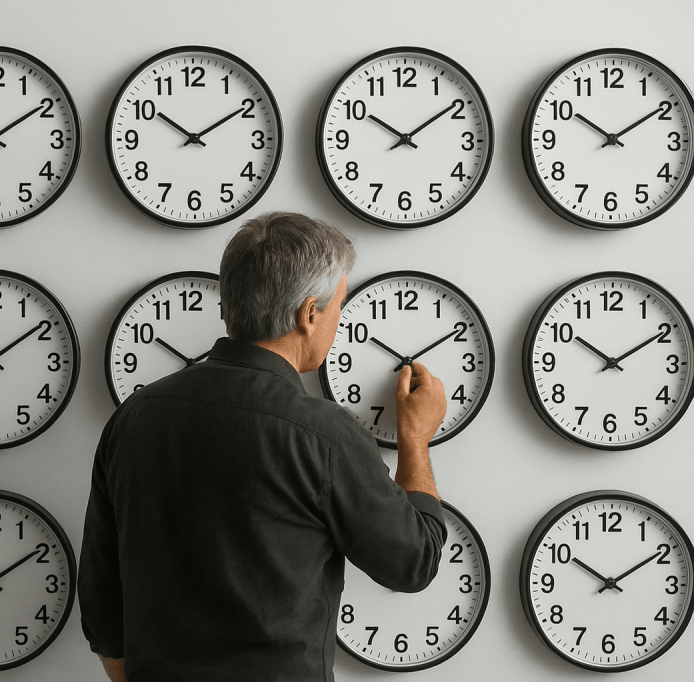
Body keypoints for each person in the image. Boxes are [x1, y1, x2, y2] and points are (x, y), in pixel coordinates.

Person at [79, 211, 448, 682]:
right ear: (308, 315)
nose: (339, 319)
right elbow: (412, 564)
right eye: (339, 305)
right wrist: (415, 439)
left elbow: (101, 600)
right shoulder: (323, 434)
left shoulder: (133, 417)